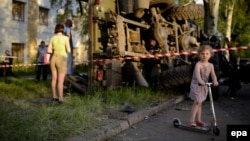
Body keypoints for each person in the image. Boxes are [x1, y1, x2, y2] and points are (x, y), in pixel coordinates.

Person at [189, 45, 219, 127]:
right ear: (199, 55)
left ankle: (198, 120)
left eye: (207, 54)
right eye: (202, 54)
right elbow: (197, 74)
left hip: (204, 86)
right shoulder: (198, 64)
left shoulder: (211, 65)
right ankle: (191, 120)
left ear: (210, 55)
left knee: (200, 103)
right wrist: (200, 81)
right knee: (197, 102)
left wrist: (215, 80)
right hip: (196, 85)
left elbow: (213, 75)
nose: (204, 55)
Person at [47, 24, 71, 103]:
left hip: (53, 58)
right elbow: (68, 50)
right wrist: (68, 38)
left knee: (54, 79)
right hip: (61, 59)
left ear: (56, 29)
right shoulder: (65, 38)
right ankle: (61, 98)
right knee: (60, 81)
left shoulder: (52, 38)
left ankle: (54, 96)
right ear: (62, 29)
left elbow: (49, 51)